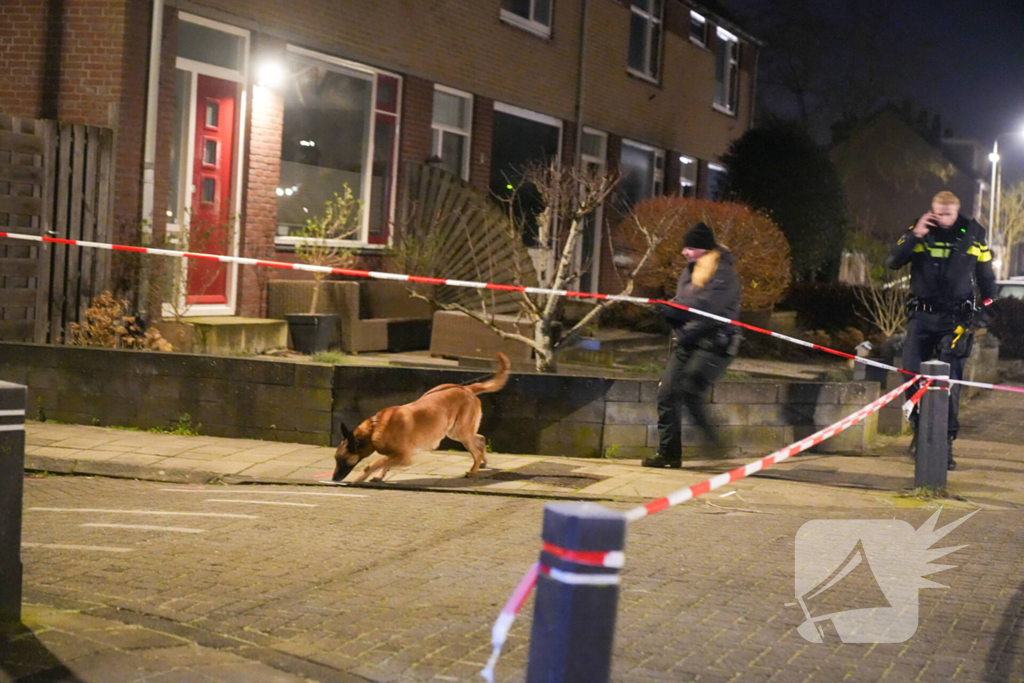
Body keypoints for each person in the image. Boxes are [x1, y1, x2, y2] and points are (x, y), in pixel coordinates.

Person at [886, 190, 996, 470]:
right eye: (938, 213)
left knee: (948, 383)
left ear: (957, 212)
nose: (943, 219)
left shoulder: (973, 234)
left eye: (948, 214)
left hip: (955, 322)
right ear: (932, 210)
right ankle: (919, 432)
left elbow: (987, 278)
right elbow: (893, 261)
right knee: (910, 376)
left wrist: (984, 309)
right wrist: (916, 234)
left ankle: (944, 444)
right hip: (922, 317)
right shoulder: (920, 230)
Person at [642, 222, 742, 469]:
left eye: (690, 248)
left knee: (689, 388)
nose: (684, 252)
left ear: (704, 249)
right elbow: (685, 302)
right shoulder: (690, 272)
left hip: (715, 343)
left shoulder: (724, 274)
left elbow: (706, 307)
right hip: (688, 341)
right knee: (667, 393)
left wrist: (673, 311)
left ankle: (716, 446)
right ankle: (668, 454)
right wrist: (666, 309)